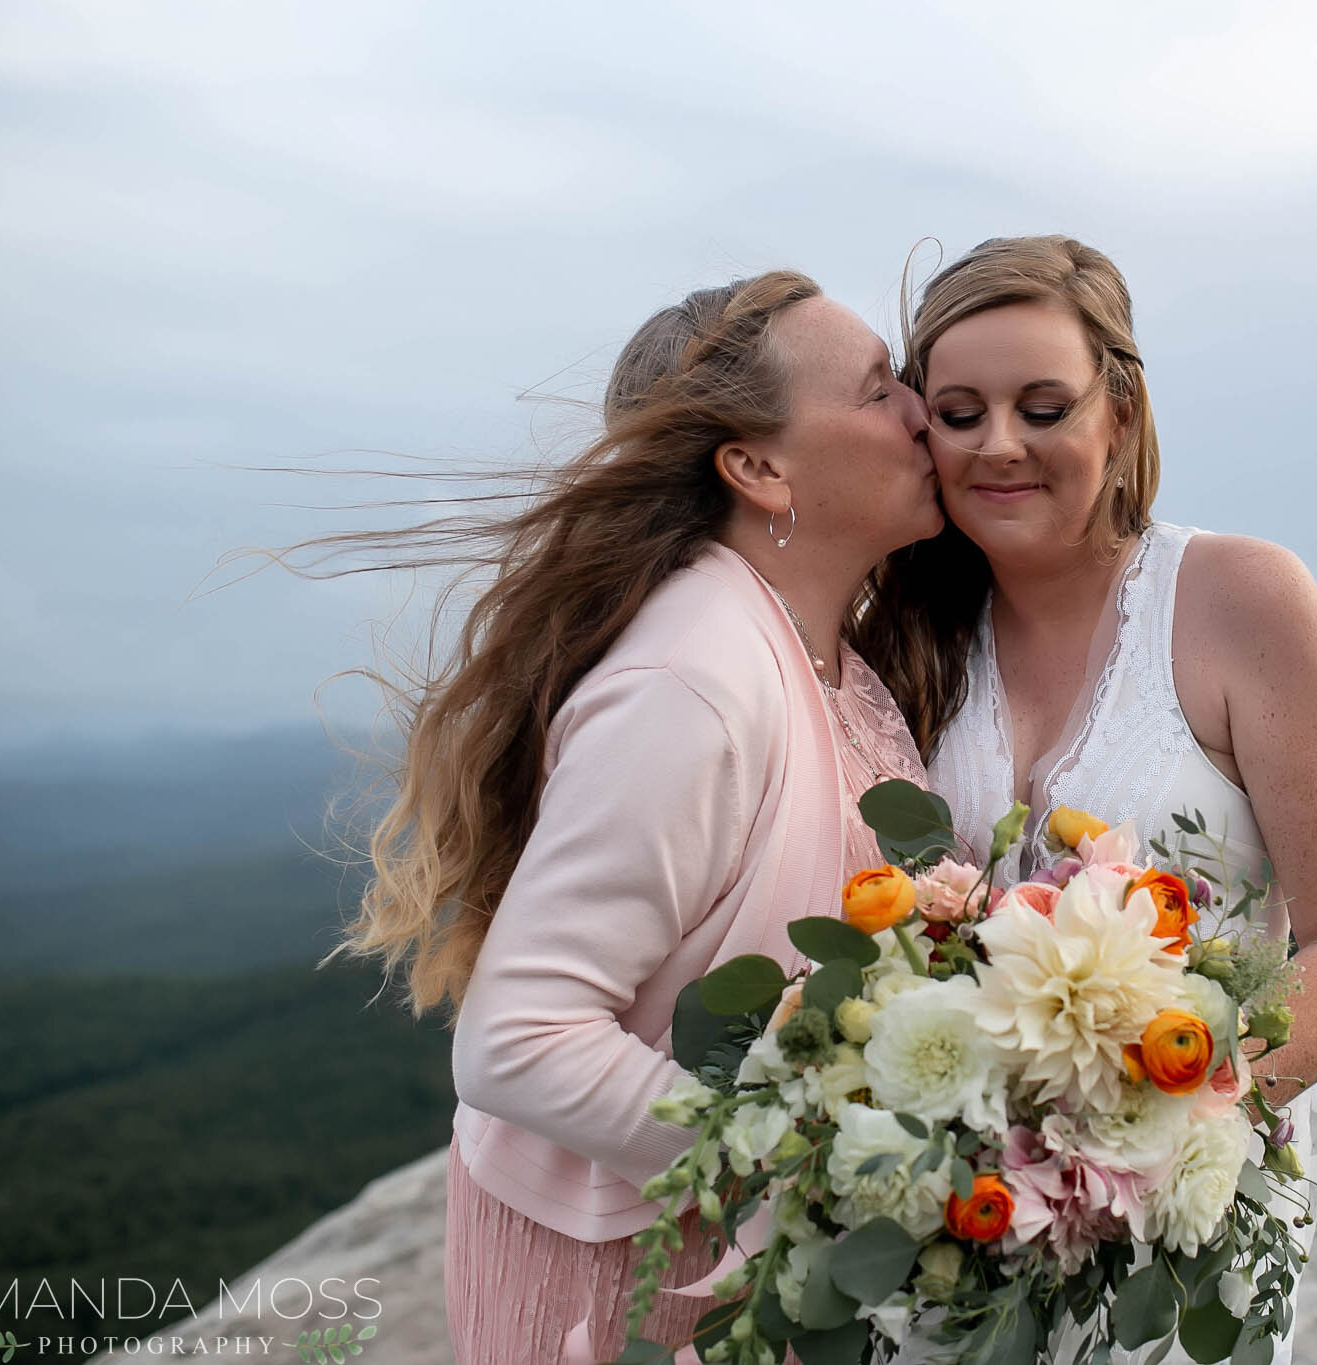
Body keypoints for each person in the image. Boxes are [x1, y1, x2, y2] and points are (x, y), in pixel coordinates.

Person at [321, 271, 941, 1363]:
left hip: (739, 1264)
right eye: (879, 386)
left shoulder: (811, 647)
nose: (919, 412)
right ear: (756, 467)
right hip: (630, 1284)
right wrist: (807, 1157)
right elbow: (516, 1042)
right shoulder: (693, 674)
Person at [855, 236, 1317, 1361]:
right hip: (958, 1224)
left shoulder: (1240, 600)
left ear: (1120, 409)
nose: (997, 444)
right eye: (957, 414)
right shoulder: (903, 637)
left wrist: (1146, 1131)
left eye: (1041, 407)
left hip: (1177, 1227)